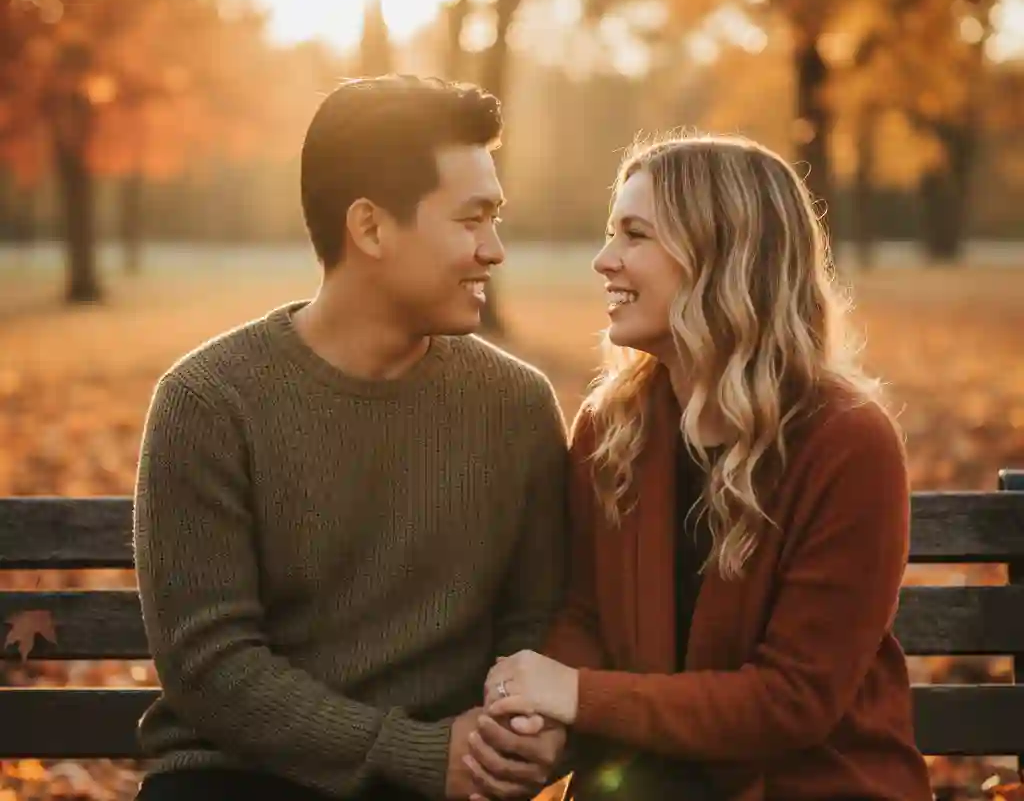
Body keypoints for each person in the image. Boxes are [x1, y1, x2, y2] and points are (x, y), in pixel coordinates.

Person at [132, 75, 570, 801]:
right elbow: (211, 665)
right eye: (471, 219)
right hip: (238, 781)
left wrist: (518, 738)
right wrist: (417, 752)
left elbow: (535, 622)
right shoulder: (208, 402)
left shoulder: (515, 406)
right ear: (369, 228)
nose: (494, 249)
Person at [471, 134, 935, 801]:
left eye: (635, 235)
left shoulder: (847, 442)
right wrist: (541, 721)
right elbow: (584, 616)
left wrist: (575, 694)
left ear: (723, 256)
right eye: (611, 234)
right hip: (643, 785)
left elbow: (793, 700)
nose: (604, 261)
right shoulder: (614, 426)